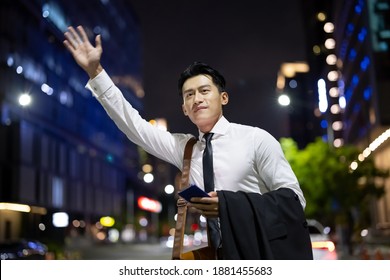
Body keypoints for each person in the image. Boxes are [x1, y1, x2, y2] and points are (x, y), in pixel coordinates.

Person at [64, 25, 313, 260]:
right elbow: (134, 126)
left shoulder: (256, 139)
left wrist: (228, 205)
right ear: (184, 109)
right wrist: (96, 72)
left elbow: (294, 201)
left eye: (205, 91)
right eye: (189, 95)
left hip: (260, 253)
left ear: (223, 97)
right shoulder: (185, 148)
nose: (197, 99)